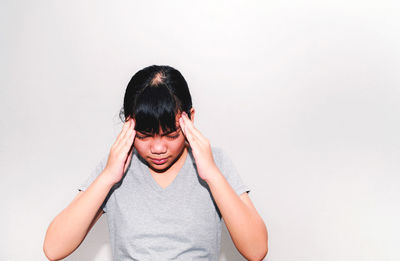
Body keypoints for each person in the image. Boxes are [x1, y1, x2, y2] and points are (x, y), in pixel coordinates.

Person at [43, 65, 268, 260]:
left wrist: (211, 174)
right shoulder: (116, 165)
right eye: (144, 135)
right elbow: (54, 249)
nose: (158, 149)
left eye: (171, 135)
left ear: (190, 118)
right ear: (129, 123)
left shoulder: (214, 162)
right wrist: (108, 176)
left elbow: (256, 250)